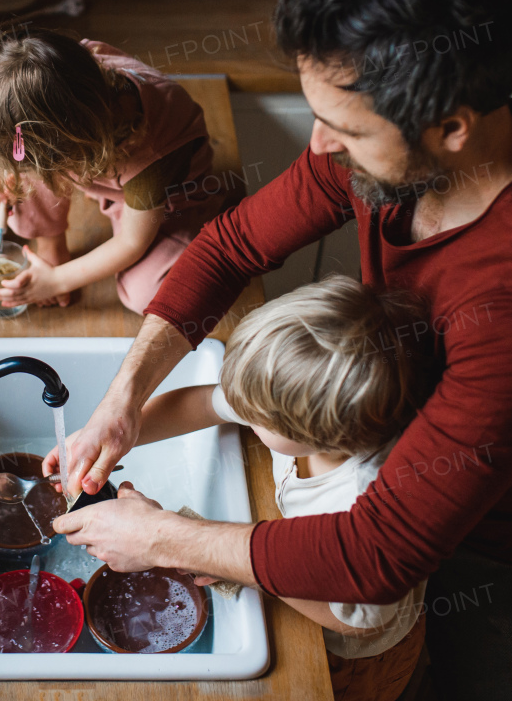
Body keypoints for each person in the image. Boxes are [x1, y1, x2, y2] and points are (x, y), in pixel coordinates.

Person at [49, 0, 512, 700]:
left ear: (452, 126)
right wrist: (122, 403)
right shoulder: (387, 159)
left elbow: (379, 554)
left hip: (502, 545)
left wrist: (161, 538)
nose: (319, 145)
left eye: (344, 129)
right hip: (377, 470)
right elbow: (227, 249)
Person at [125, 277, 434, 700]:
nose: (239, 410)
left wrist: (239, 565)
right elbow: (200, 404)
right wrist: (121, 433)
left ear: (323, 439)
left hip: (351, 654)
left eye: (255, 417)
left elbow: (355, 619)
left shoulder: (360, 498)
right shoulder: (297, 402)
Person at [0, 29, 229, 312]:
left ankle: (185, 225)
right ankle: (50, 243)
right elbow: (15, 123)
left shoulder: (151, 154)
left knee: (147, 295)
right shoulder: (65, 70)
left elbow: (132, 243)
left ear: (77, 152)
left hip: (168, 200)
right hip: (83, 155)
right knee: (20, 173)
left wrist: (58, 280)